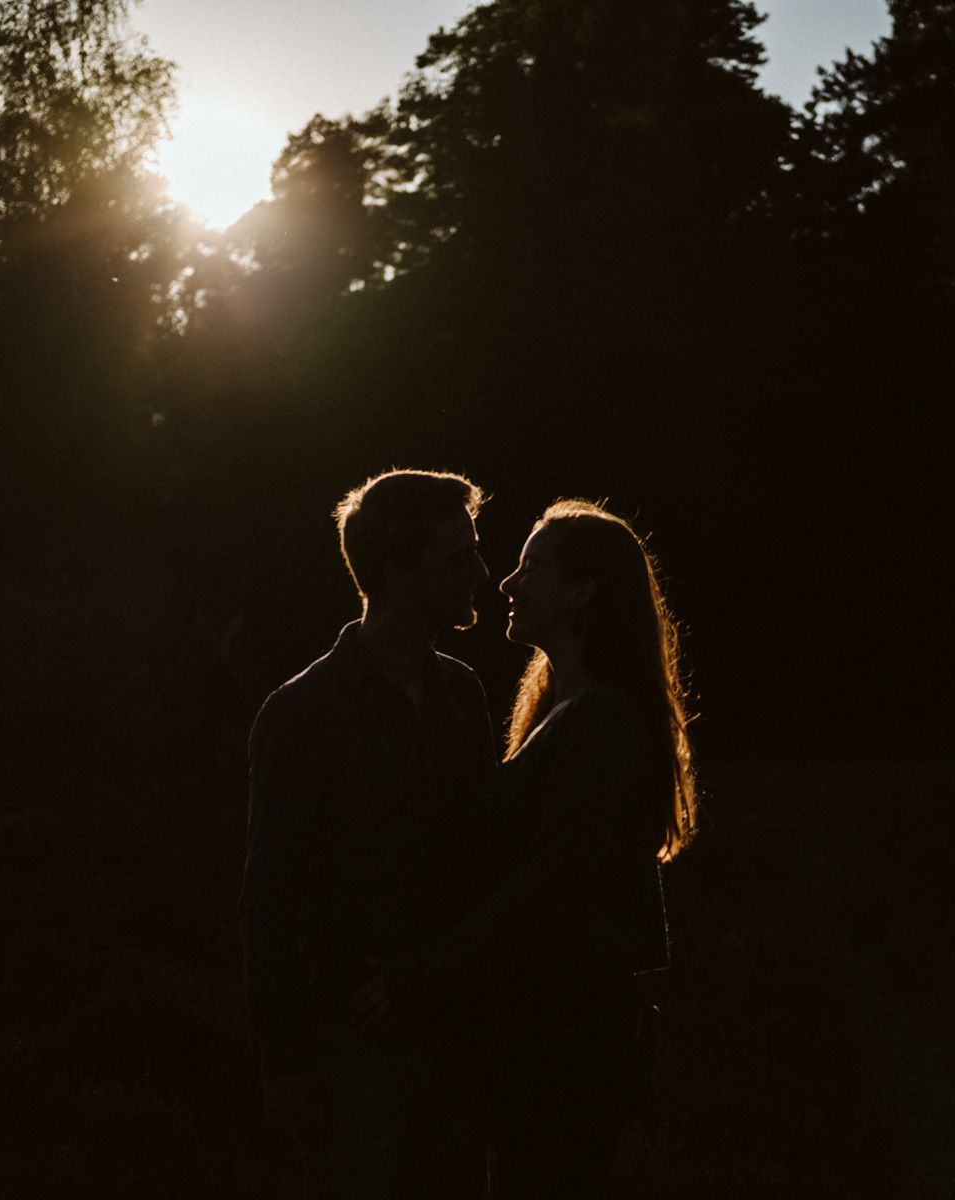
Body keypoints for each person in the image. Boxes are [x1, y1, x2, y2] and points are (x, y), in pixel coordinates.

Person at [350, 499, 699, 1200]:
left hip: (565, 1052)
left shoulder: (601, 723)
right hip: (545, 1044)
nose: (506, 583)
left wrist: (419, 977)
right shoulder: (564, 714)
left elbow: (547, 894)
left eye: (531, 566)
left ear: (581, 592)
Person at [239, 468, 497, 1198]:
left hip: (458, 1039)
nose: (480, 572)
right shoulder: (301, 714)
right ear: (394, 569)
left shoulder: (466, 695)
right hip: (354, 1050)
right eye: (458, 557)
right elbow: (269, 898)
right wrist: (283, 1064)